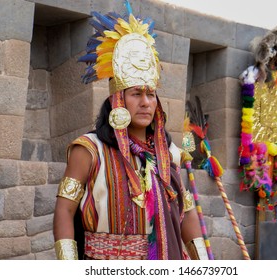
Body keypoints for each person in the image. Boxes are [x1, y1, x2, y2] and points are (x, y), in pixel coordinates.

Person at [53, 1, 209, 260]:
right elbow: (64, 211)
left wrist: (202, 264)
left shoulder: (169, 153)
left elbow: (187, 212)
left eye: (151, 94)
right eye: (136, 94)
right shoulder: (89, 150)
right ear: (117, 100)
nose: (146, 102)